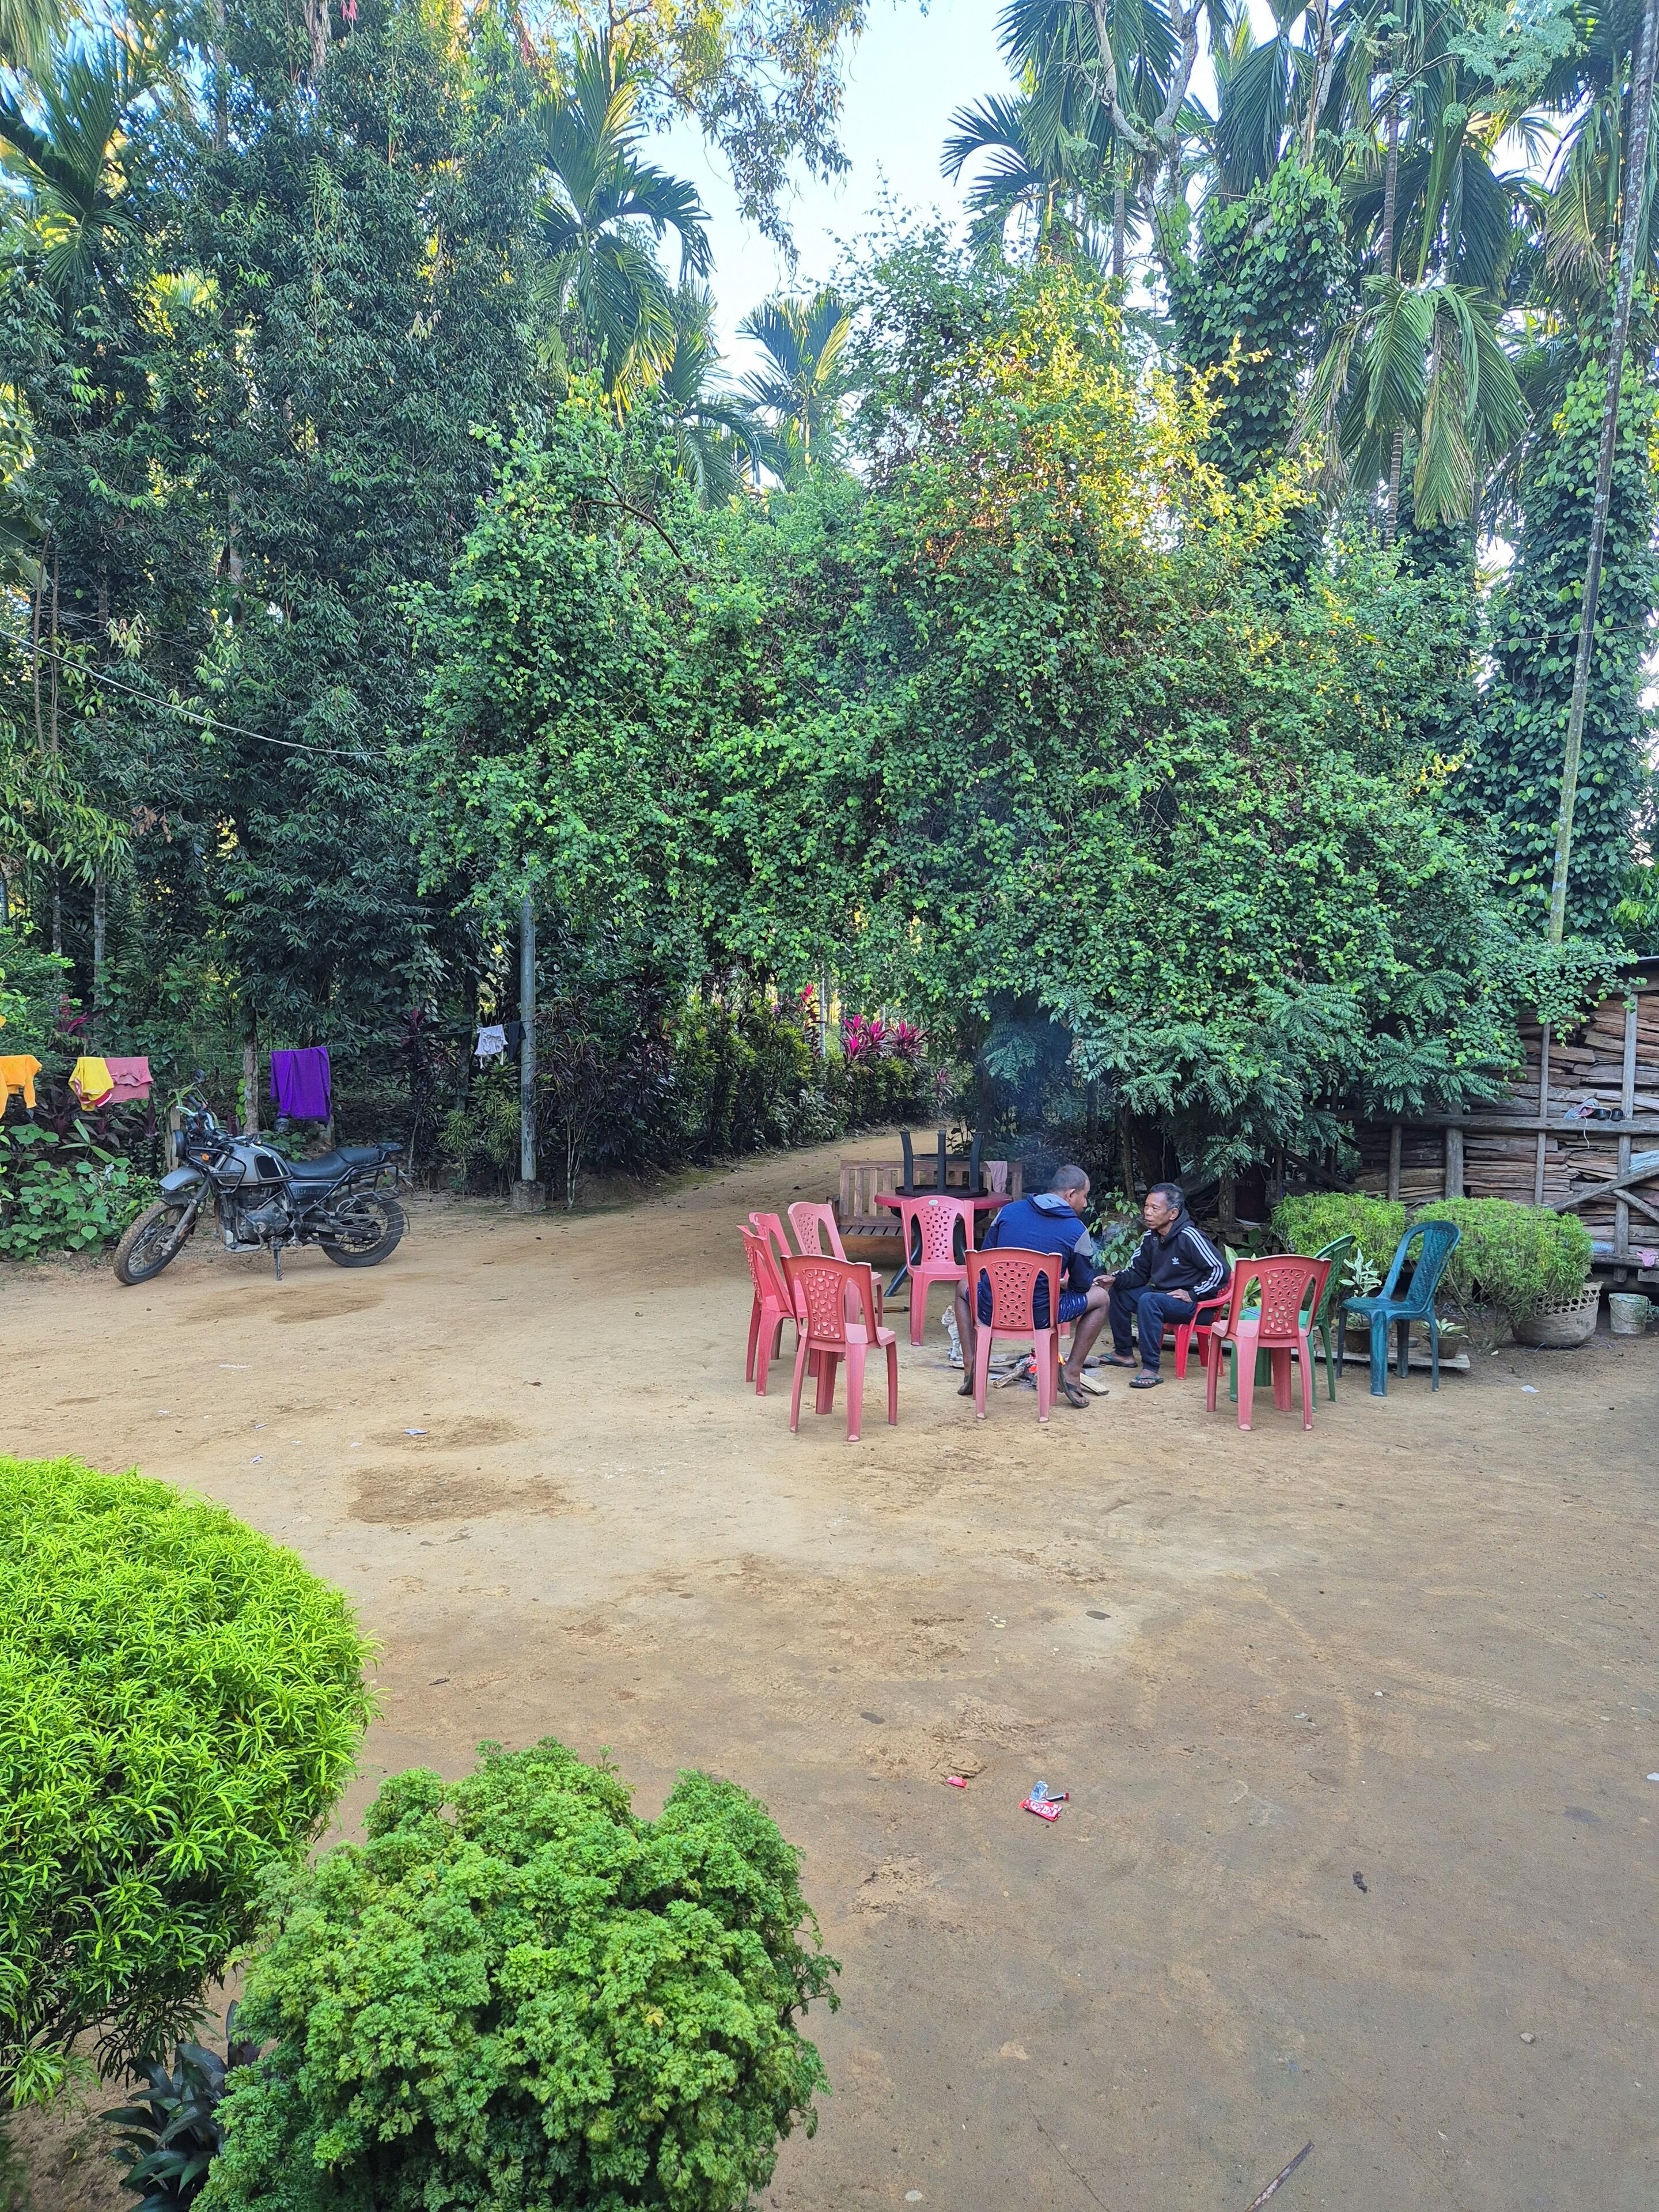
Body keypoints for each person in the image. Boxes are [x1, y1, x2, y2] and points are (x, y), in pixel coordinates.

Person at [953, 1164, 1112, 1410]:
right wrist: (1058, 1284)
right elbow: (1081, 1288)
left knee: (963, 1285)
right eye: (1085, 1196)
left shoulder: (1008, 1212)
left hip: (992, 1308)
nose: (1086, 1203)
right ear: (1071, 1194)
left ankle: (971, 1364)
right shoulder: (1076, 1230)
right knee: (1101, 1297)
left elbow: (983, 1266)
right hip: (1041, 1316)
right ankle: (1072, 1373)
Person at [1101, 1183, 1229, 1389]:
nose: (1148, 1213)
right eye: (1146, 1206)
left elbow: (1221, 1270)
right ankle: (1123, 1353)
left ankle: (1151, 1368)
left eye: (1155, 1208)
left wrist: (1194, 1293)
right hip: (1163, 1298)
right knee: (1121, 1292)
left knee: (1149, 1300)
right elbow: (1137, 1273)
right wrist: (1115, 1279)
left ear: (1173, 1214)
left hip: (1196, 1307)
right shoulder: (1150, 1238)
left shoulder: (1190, 1236)